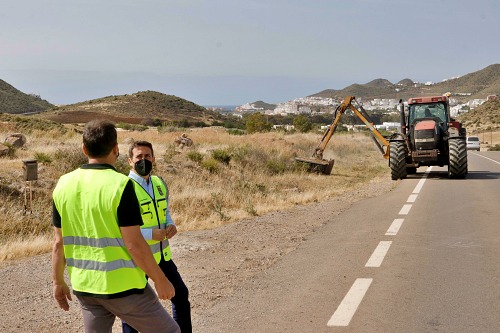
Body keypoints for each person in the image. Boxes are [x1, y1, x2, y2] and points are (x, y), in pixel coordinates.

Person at [51, 120, 180, 333]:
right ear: (116, 149)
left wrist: (57, 282)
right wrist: (160, 279)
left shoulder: (63, 184)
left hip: (85, 287)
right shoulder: (121, 185)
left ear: (84, 149)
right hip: (124, 288)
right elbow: (134, 244)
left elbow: (58, 242)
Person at [122, 140, 192, 333]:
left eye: (147, 156)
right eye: (138, 157)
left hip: (162, 256)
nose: (143, 160)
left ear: (154, 158)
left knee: (180, 294)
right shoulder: (124, 188)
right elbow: (120, 230)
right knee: (133, 309)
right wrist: (150, 234)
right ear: (130, 161)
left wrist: (171, 225)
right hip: (138, 259)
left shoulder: (159, 183)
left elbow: (165, 211)